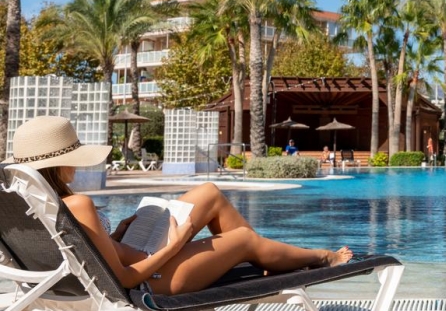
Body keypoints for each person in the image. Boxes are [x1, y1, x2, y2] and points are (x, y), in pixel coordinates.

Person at [7, 116, 352, 296]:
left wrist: (118, 236)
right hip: (149, 280)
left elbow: (84, 254)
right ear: (60, 164)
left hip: (122, 263)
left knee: (208, 192)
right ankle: (320, 257)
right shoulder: (78, 203)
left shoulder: (26, 204)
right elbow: (124, 278)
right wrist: (174, 245)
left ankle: (265, 258)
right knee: (243, 239)